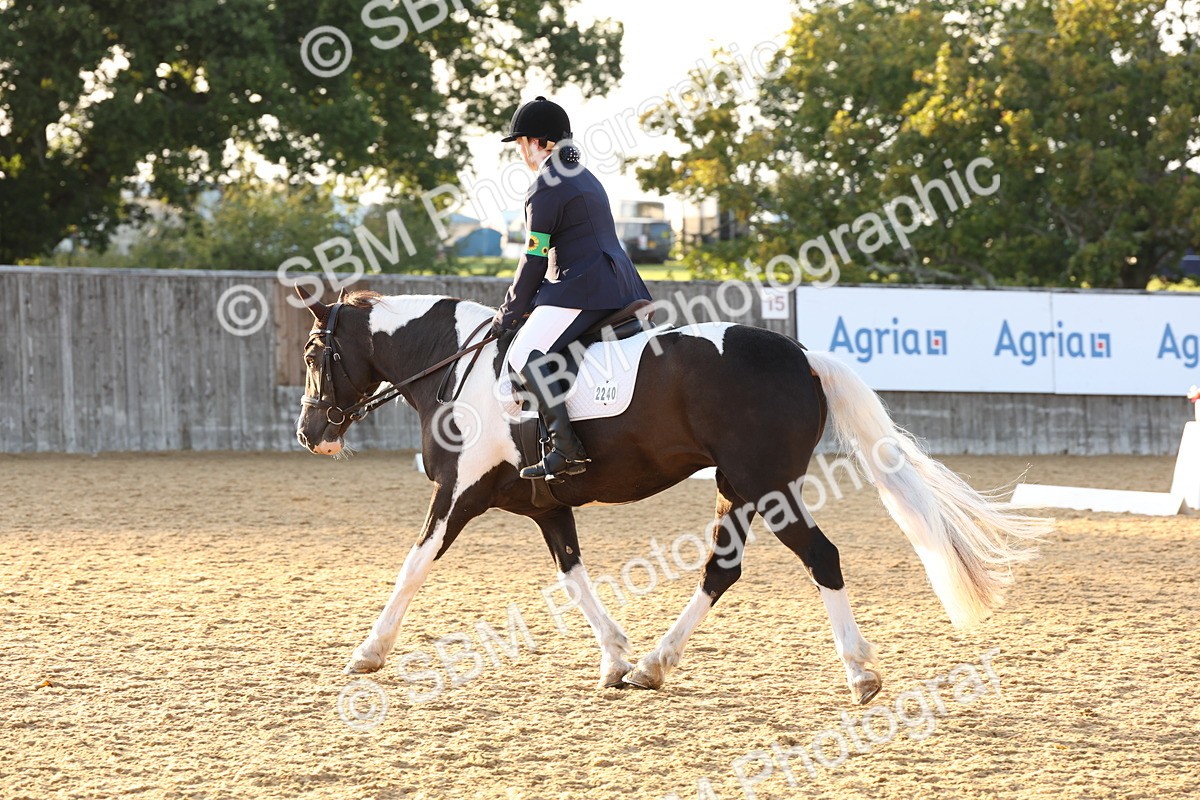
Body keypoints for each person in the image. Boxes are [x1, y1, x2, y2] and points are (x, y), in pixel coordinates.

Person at [492, 96, 652, 482]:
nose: (520, 153)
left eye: (520, 143)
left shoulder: (545, 186)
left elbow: (534, 257)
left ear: (538, 141)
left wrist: (510, 312)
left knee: (525, 354)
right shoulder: (584, 175)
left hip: (583, 288)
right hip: (619, 283)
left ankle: (566, 449)